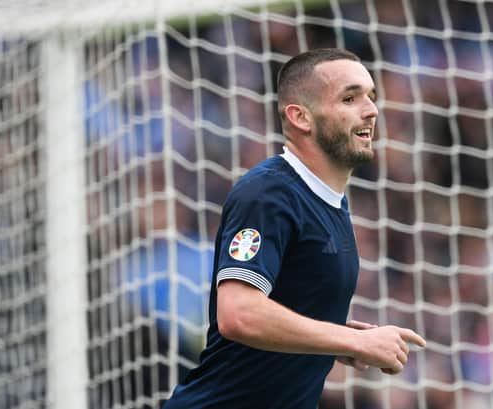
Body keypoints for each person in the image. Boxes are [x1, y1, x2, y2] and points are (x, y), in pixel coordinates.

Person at [163, 48, 426, 409]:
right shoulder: (269, 193)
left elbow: (282, 302)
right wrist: (349, 341)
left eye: (371, 96)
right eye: (350, 98)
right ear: (300, 117)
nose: (371, 110)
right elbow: (239, 313)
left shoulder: (329, 201)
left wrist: (337, 336)